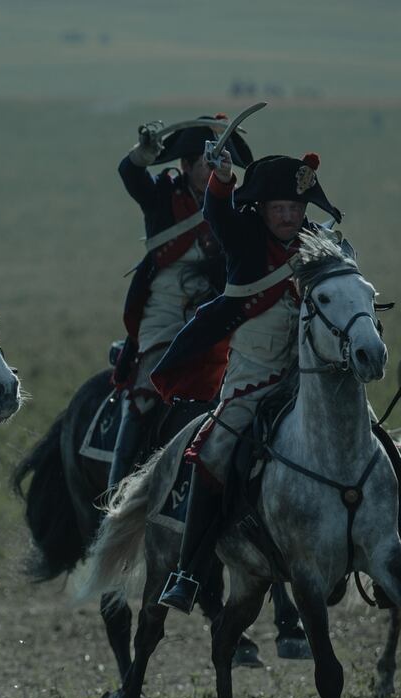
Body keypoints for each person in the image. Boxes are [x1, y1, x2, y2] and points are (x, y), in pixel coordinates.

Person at [150, 150, 344, 612]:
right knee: (212, 451)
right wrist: (221, 179)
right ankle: (188, 571)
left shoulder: (319, 244)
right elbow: (216, 210)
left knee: (369, 440)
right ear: (261, 209)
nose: (288, 216)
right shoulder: (243, 237)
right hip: (252, 383)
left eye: (295, 208)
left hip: (308, 382)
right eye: (279, 208)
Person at [108, 116, 253, 490]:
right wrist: (142, 155)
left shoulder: (234, 203)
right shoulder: (162, 196)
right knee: (144, 396)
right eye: (208, 160)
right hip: (166, 309)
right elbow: (132, 175)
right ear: (186, 165)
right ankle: (116, 492)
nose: (217, 166)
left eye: (223, 159)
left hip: (218, 312)